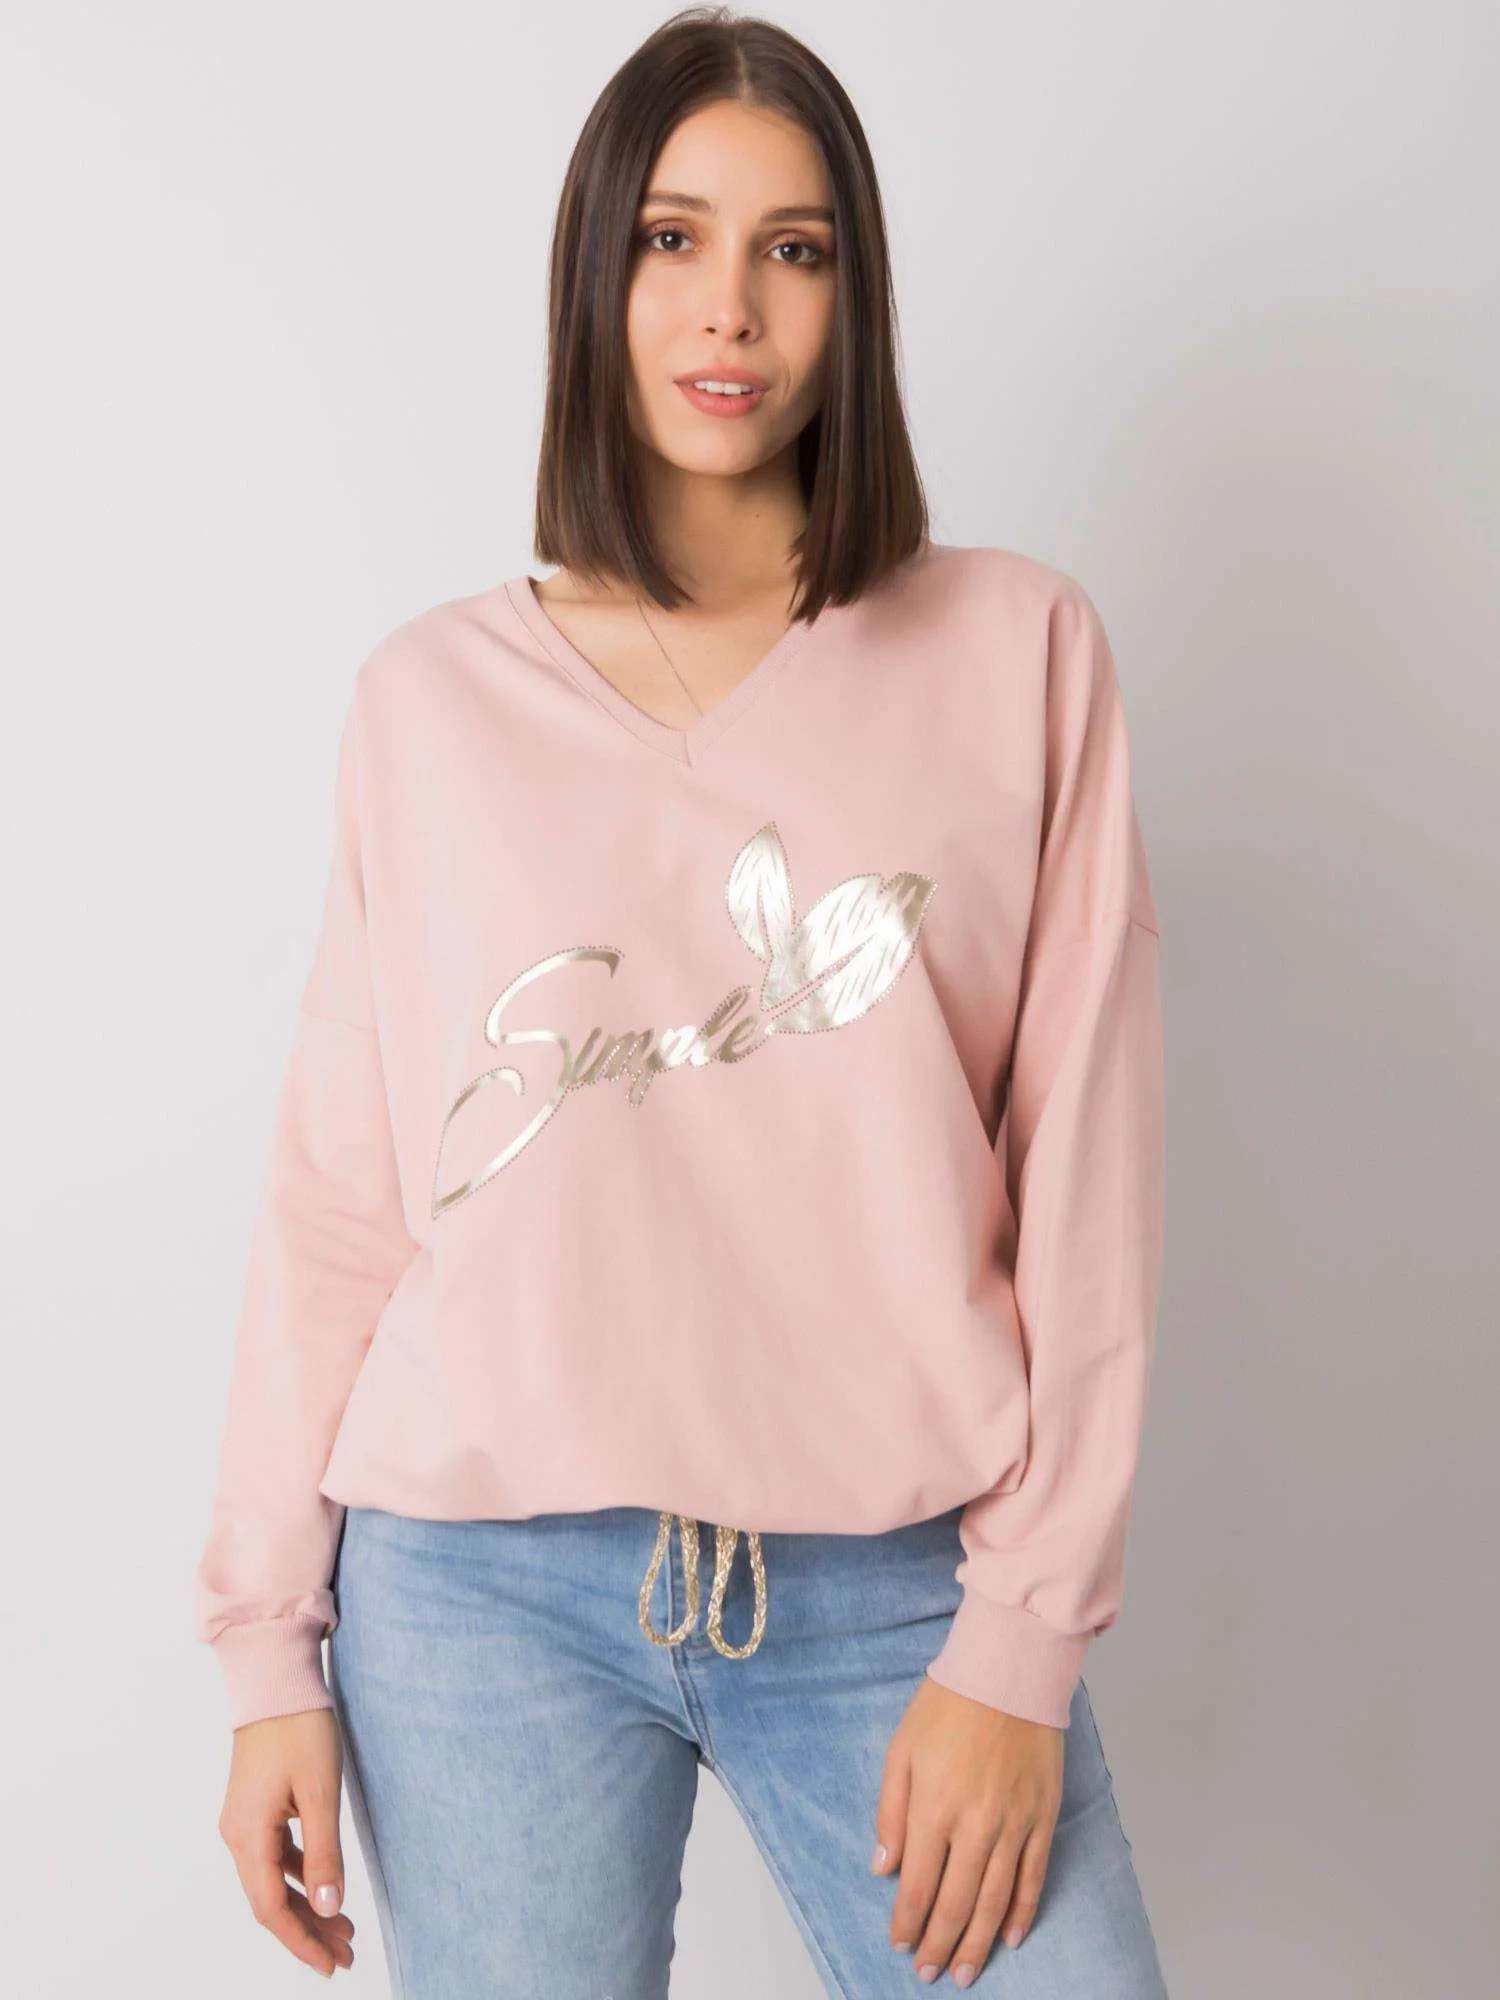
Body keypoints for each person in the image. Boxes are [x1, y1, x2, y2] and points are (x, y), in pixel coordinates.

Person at [195, 8, 1170, 1994]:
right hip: (479, 1596)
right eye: (672, 238)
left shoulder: (1016, 654)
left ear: (853, 295)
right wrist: (266, 1652)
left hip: (901, 1583)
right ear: (596, 275)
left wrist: (1019, 1643)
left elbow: (1088, 1178)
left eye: (794, 248)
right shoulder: (429, 703)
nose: (732, 306)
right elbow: (343, 1204)